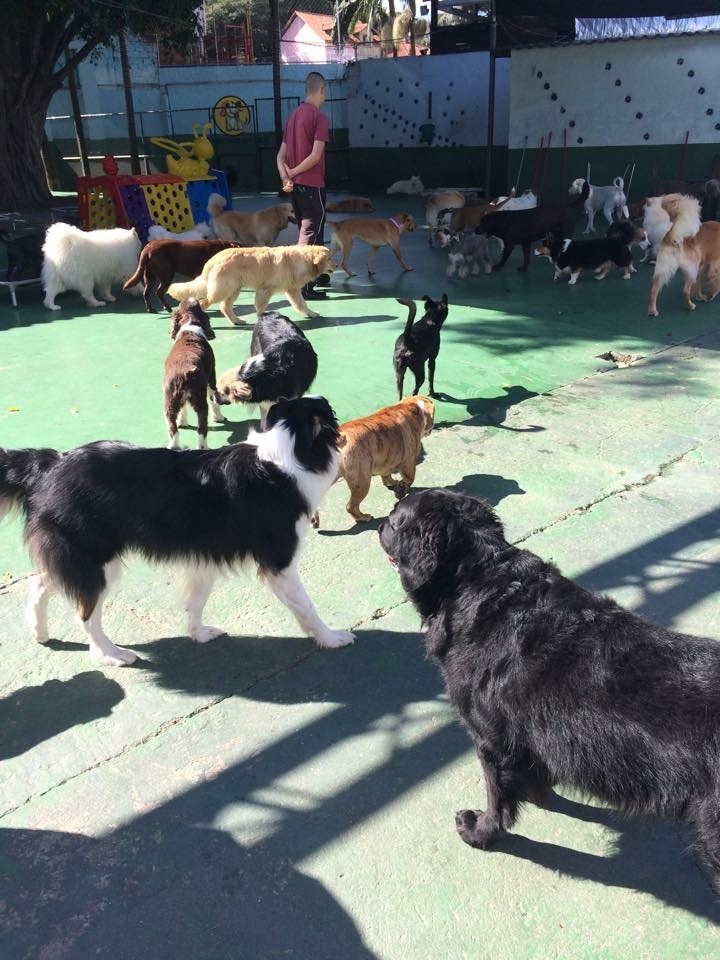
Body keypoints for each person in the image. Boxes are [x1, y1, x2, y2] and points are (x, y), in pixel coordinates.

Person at [277, 71, 332, 301]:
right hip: (312, 186)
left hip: (297, 189)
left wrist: (286, 176)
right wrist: (294, 172)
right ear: (321, 90)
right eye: (325, 92)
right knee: (309, 234)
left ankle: (316, 274)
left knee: (313, 229)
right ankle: (302, 286)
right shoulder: (319, 117)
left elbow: (280, 156)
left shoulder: (293, 117)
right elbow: (316, 155)